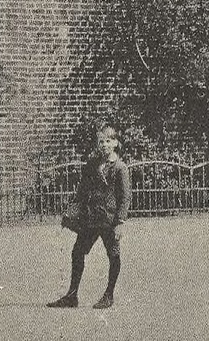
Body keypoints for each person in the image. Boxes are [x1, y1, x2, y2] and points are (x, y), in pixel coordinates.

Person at [49, 125, 132, 309]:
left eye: (108, 141)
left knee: (113, 255)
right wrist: (71, 210)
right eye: (101, 141)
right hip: (90, 218)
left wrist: (120, 222)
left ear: (116, 143)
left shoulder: (120, 168)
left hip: (109, 220)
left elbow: (125, 197)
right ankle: (72, 296)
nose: (104, 145)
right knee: (78, 252)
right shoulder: (92, 165)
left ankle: (109, 295)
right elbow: (82, 190)